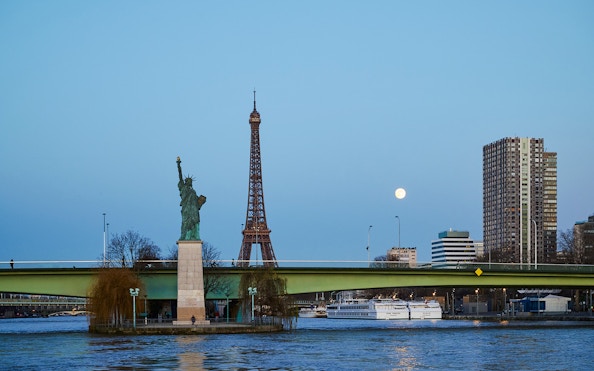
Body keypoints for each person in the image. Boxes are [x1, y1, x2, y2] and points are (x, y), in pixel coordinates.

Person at [176, 157, 206, 240]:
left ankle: (195, 236)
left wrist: (201, 201)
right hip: (186, 208)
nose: (189, 182)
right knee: (186, 222)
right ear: (186, 182)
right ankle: (185, 235)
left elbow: (197, 201)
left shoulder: (193, 191)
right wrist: (178, 165)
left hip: (194, 209)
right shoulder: (183, 187)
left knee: (196, 221)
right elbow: (180, 176)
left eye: (190, 181)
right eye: (188, 181)